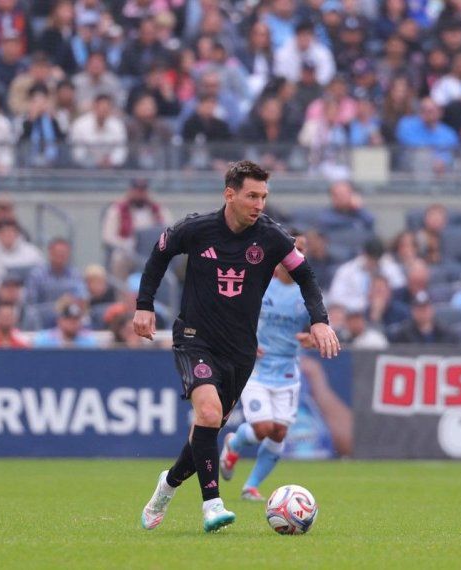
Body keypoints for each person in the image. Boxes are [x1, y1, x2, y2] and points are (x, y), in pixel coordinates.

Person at [134, 161, 338, 533]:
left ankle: (168, 485)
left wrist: (320, 319)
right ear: (230, 194)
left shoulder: (273, 238)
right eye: (251, 196)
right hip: (195, 338)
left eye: (263, 196)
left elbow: (305, 275)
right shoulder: (196, 229)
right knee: (209, 415)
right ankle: (212, 505)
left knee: (205, 432)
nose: (259, 204)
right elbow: (160, 252)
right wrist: (145, 305)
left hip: (241, 352)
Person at [217, 233, 315, 501]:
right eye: (294, 248)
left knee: (279, 431)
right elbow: (231, 314)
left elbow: (317, 328)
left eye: (302, 250)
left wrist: (312, 339)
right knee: (262, 428)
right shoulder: (258, 283)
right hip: (256, 368)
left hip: (287, 370)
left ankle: (250, 486)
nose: (297, 254)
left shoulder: (306, 291)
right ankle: (233, 444)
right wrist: (243, 340)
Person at [101, 178, 172, 280]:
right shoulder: (116, 210)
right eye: (136, 190)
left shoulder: (159, 210)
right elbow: (107, 236)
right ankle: (122, 294)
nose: (139, 193)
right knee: (118, 260)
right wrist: (126, 244)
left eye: (142, 190)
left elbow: (169, 229)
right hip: (129, 252)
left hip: (153, 251)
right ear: (130, 190)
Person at [389, 291, 456, 345]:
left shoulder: (445, 333)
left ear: (432, 310)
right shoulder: (403, 334)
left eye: (425, 308)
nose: (422, 313)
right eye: (419, 309)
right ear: (413, 311)